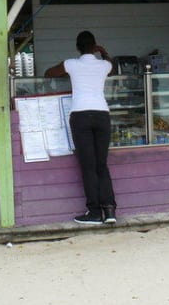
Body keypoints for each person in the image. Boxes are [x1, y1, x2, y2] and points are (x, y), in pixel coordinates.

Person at [44, 30, 117, 225]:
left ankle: (94, 212)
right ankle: (109, 210)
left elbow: (48, 73)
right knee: (101, 165)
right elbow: (114, 68)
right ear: (95, 47)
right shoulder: (104, 65)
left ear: (77, 47)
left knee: (88, 166)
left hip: (81, 115)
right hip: (102, 115)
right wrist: (104, 52)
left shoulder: (71, 64)